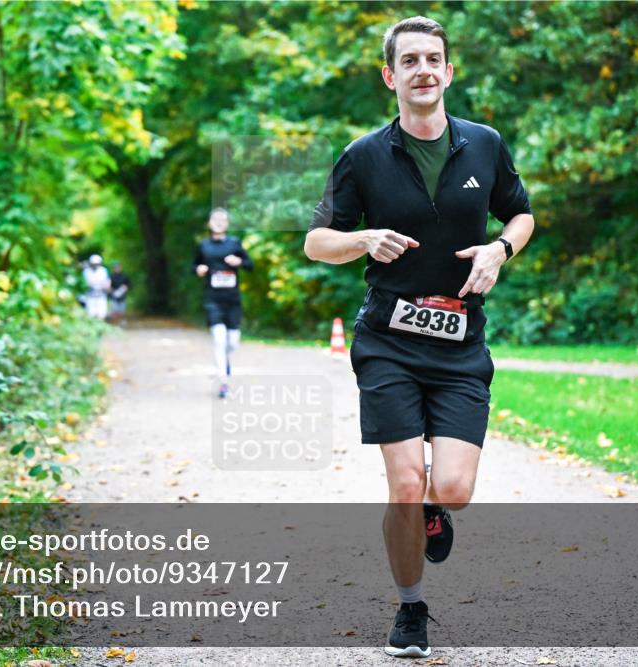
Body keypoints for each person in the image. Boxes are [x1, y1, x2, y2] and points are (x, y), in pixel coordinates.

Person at [304, 16, 535, 658]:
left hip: (461, 345)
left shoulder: (485, 145)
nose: (424, 70)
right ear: (391, 76)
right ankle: (411, 610)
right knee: (404, 483)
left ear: (449, 71)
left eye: (434, 59)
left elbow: (521, 212)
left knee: (451, 489)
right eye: (410, 62)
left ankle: (435, 508)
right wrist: (361, 240)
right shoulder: (364, 155)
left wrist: (500, 249)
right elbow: (316, 241)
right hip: (388, 341)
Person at [193, 208, 253, 398]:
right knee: (219, 340)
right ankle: (223, 381)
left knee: (232, 343)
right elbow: (193, 266)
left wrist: (239, 261)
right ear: (209, 223)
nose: (218, 222)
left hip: (232, 300)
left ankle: (221, 361)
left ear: (227, 224)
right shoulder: (203, 246)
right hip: (213, 300)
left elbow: (250, 265)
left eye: (222, 219)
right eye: (215, 219)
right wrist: (199, 269)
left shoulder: (234, 244)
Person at [82, 254, 110, 320]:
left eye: (97, 264)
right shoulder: (86, 271)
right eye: (93, 264)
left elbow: (108, 281)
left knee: (101, 313)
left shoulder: (103, 271)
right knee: (91, 313)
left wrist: (106, 287)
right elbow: (83, 283)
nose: (95, 265)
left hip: (101, 294)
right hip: (90, 294)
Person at [108, 262, 131, 326]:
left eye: (118, 267)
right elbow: (108, 286)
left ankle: (121, 322)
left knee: (122, 311)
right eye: (115, 268)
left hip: (122, 296)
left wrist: (125, 288)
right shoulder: (111, 276)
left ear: (121, 268)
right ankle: (115, 324)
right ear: (113, 269)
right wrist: (110, 290)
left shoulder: (125, 276)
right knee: (114, 311)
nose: (117, 269)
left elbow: (129, 285)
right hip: (113, 296)